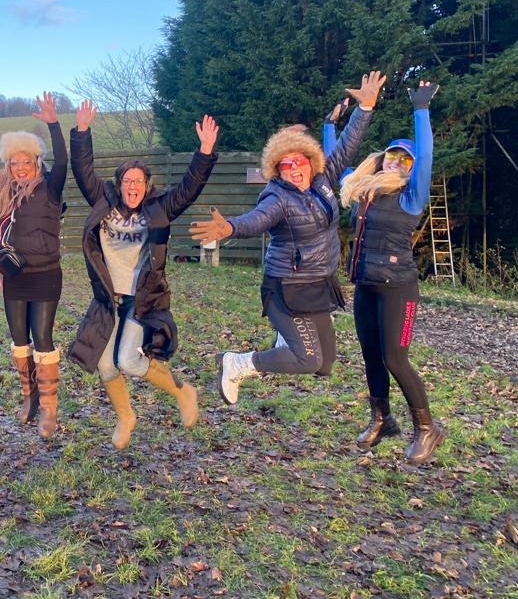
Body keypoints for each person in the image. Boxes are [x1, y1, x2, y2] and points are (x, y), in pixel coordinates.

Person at [189, 71, 387, 407]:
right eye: (284, 165)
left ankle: (284, 341)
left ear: (310, 161)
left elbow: (348, 145)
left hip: (319, 283)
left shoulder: (322, 179)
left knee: (324, 364)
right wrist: (230, 228)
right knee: (307, 359)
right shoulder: (277, 197)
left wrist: (365, 108)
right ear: (276, 170)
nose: (294, 169)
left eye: (298, 162)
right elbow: (257, 219)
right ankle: (238, 363)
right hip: (287, 287)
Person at [69, 102, 220, 449]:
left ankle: (182, 392)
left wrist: (204, 152)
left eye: (138, 181)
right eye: (127, 181)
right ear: (119, 184)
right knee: (104, 364)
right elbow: (83, 170)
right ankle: (126, 417)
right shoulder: (103, 202)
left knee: (128, 360)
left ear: (147, 185)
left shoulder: (159, 208)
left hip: (142, 299)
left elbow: (189, 189)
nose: (132, 186)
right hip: (108, 298)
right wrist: (81, 132)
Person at [341, 81, 445, 464]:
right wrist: (330, 125)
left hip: (399, 289)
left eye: (405, 159)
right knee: (371, 356)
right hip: (366, 286)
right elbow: (335, 161)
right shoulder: (365, 191)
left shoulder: (411, 196)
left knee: (395, 358)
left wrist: (421, 109)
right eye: (392, 155)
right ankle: (382, 419)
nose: (397, 162)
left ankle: (427, 428)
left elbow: (426, 154)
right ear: (382, 158)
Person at [0, 92, 68, 439]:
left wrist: (54, 124)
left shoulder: (51, 188)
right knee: (19, 339)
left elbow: (64, 160)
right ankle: (29, 395)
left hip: (46, 275)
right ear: (7, 165)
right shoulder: (2, 191)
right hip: (15, 277)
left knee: (42, 336)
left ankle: (49, 408)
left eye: (26, 161)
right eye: (13, 162)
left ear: (37, 162)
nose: (20, 167)